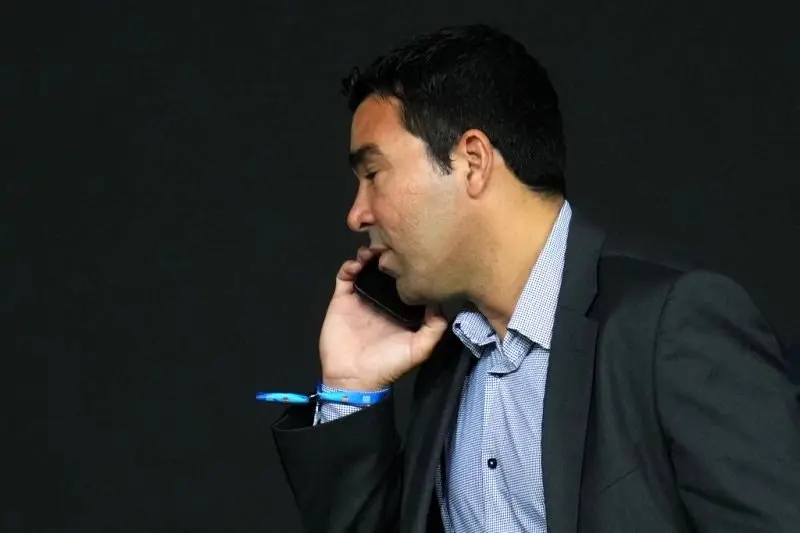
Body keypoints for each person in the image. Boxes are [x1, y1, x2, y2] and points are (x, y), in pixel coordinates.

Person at [270, 24, 800, 533]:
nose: (357, 214)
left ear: (472, 161)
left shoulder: (670, 327)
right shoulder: (449, 365)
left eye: (373, 174)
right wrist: (351, 388)